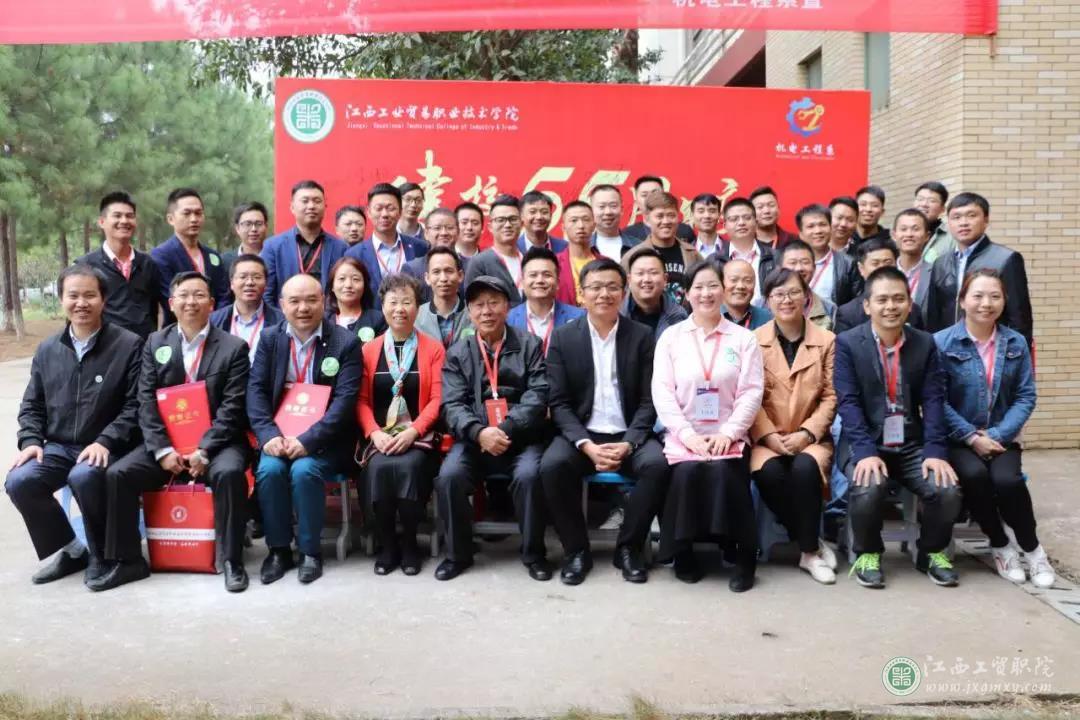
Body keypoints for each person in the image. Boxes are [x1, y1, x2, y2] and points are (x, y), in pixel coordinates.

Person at [96, 271, 252, 593]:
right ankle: (127, 561)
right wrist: (162, 450)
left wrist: (204, 450)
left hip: (218, 444)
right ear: (171, 303)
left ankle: (231, 560)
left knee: (229, 473)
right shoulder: (155, 342)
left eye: (199, 295)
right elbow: (145, 400)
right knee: (119, 474)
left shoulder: (234, 347)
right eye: (183, 295)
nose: (191, 302)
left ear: (212, 303)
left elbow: (233, 408)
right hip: (167, 443)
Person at [5, 265, 142, 585]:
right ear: (62, 299)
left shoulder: (129, 345)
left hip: (108, 445)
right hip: (60, 446)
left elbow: (136, 405)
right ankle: (73, 549)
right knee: (20, 480)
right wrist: (31, 441)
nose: (81, 303)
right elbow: (32, 404)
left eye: (90, 295)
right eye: (73, 295)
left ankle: (103, 555)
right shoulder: (48, 349)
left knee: (84, 475)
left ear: (104, 300)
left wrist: (106, 440)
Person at [540, 258, 669, 585]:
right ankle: (576, 550)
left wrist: (629, 443)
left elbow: (649, 400)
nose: (604, 294)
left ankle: (628, 548)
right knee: (552, 466)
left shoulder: (641, 336)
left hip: (628, 433)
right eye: (595, 287)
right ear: (581, 294)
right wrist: (585, 445)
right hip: (583, 434)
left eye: (612, 287)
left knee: (657, 466)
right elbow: (559, 402)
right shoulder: (563, 338)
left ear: (624, 292)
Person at [835, 266, 962, 589]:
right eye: (882, 300)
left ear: (909, 303)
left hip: (910, 443)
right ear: (867, 305)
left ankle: (930, 552)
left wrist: (935, 451)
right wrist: (864, 452)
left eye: (898, 299)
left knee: (946, 489)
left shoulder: (924, 343)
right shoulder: (848, 343)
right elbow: (848, 403)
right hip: (865, 441)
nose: (890, 306)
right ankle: (868, 554)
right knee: (868, 486)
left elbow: (934, 400)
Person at [934, 269, 1052, 587]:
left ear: (1004, 301)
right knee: (974, 476)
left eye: (995, 296)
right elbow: (937, 401)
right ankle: (1000, 545)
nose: (986, 303)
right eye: (978, 296)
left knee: (1008, 481)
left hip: (1002, 437)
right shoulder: (941, 343)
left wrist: (997, 435)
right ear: (962, 301)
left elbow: (1026, 396)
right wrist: (972, 437)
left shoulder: (1016, 342)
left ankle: (1033, 549)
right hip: (959, 439)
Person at [652, 261, 764, 591]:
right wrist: (687, 435)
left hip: (729, 433)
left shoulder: (743, 339)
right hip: (683, 435)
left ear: (724, 291)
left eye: (713, 286)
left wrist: (729, 432)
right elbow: (662, 391)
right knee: (686, 472)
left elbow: (751, 391)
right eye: (698, 287)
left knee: (725, 471)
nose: (706, 293)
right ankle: (682, 552)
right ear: (686, 294)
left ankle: (742, 555)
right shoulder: (671, 338)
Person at [248, 274, 363, 585]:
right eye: (295, 301)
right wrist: (268, 436)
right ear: (282, 305)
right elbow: (256, 391)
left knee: (304, 471)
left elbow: (344, 404)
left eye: (311, 300)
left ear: (324, 302)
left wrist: (308, 440)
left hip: (326, 440)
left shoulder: (345, 342)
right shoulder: (270, 339)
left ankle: (310, 551)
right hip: (279, 435)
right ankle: (278, 550)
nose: (303, 308)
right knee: (270, 470)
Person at [436, 276, 551, 581]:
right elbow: (452, 404)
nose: (486, 311)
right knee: (449, 476)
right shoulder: (458, 352)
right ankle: (457, 555)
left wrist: (507, 428)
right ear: (469, 311)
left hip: (521, 437)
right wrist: (479, 432)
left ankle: (534, 554)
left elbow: (538, 395)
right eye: (478, 305)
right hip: (474, 439)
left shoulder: (529, 344)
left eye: (493, 303)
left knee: (530, 476)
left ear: (507, 307)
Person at [750, 268, 838, 584]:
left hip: (810, 436)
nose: (786, 300)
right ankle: (810, 543)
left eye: (793, 292)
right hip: (767, 438)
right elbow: (749, 396)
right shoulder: (752, 341)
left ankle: (808, 553)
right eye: (778, 294)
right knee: (770, 474)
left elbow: (831, 396)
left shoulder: (827, 341)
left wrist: (807, 433)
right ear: (767, 300)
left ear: (806, 297)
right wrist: (769, 436)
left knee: (804, 468)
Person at [357, 274, 445, 577]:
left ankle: (409, 542)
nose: (400, 309)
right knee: (379, 468)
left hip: (419, 436)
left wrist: (413, 431)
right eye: (393, 302)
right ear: (382, 307)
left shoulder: (433, 349)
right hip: (380, 437)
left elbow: (437, 399)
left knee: (409, 466)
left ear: (418, 307)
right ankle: (387, 544)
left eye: (407, 302)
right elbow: (361, 401)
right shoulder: (369, 350)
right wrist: (374, 433)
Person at [926, 192, 1033, 349]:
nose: (963, 223)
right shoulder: (940, 263)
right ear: (948, 222)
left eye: (971, 215)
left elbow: (1019, 318)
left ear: (986, 220)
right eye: (956, 217)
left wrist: (1015, 355)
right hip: (948, 349)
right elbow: (934, 316)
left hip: (990, 349)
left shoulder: (1006, 259)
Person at [75, 191, 162, 339]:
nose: (124, 221)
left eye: (130, 216)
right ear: (102, 222)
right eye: (117, 215)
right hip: (105, 347)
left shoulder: (148, 264)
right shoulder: (85, 266)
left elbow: (155, 309)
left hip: (144, 348)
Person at [261, 180, 348, 305]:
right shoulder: (272, 247)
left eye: (317, 201)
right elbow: (266, 294)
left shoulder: (341, 248)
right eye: (305, 201)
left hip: (327, 315)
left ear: (325, 206)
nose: (311, 206)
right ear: (292, 207)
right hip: (285, 315)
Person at [151, 188, 229, 317]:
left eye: (198, 213)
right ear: (170, 219)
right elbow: (170, 299)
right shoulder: (161, 256)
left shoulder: (212, 255)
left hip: (216, 325)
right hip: (179, 325)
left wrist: (216, 321)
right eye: (186, 213)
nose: (194, 219)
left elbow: (223, 296)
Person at [346, 183, 430, 299]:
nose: (384, 214)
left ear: (400, 212)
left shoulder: (420, 247)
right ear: (369, 212)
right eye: (378, 209)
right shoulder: (354, 254)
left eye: (390, 208)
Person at [621, 191, 703, 307]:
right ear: (647, 219)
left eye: (671, 215)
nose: (666, 221)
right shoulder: (632, 257)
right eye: (659, 216)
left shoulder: (693, 254)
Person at [834, 237, 926, 333]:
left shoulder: (912, 309)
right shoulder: (847, 313)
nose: (882, 268)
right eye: (875, 263)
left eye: (888, 263)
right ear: (861, 268)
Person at [508, 247, 585, 355]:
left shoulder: (580, 317)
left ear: (558, 283)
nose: (540, 280)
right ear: (522, 283)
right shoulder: (508, 320)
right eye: (533, 275)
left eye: (547, 275)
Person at [210, 254, 284, 364]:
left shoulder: (281, 322)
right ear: (232, 283)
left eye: (257, 277)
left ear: (266, 283)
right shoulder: (213, 321)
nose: (250, 282)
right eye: (243, 277)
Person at [464, 194, 526, 306]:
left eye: (513, 219)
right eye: (500, 220)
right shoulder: (479, 263)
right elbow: (473, 306)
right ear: (490, 227)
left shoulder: (530, 260)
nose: (507, 225)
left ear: (521, 224)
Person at [711, 197, 775, 305]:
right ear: (725, 226)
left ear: (756, 222)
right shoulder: (714, 261)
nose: (741, 223)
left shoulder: (775, 257)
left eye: (747, 218)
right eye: (734, 219)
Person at [796, 203, 860, 307]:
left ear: (830, 228)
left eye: (822, 225)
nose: (818, 231)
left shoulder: (848, 263)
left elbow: (857, 303)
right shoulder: (788, 262)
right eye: (811, 226)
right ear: (801, 234)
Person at [621, 248, 688, 339]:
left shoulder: (678, 316)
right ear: (629, 280)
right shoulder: (616, 313)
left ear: (665, 279)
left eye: (653, 273)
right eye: (640, 273)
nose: (647, 279)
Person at [415, 247, 474, 347]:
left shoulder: (474, 314)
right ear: (427, 278)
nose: (443, 278)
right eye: (436, 272)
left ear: (460, 276)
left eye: (449, 271)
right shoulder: (416, 317)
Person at [777, 240, 837, 332]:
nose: (799, 268)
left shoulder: (829, 308)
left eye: (805, 262)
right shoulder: (763, 304)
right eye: (793, 263)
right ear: (780, 268)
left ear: (814, 268)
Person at [403, 207, 458, 302]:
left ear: (458, 232)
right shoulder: (412, 269)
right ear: (426, 233)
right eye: (437, 228)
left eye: (449, 228)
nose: (444, 233)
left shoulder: (469, 265)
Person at [326, 256, 386, 343]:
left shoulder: (378, 320)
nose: (348, 285)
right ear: (332, 286)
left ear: (365, 285)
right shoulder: (324, 323)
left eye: (355, 279)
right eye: (342, 279)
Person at [623, 175, 695, 244]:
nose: (650, 198)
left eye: (655, 193)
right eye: (644, 195)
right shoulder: (628, 235)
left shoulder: (684, 231)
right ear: (636, 201)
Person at [556, 200, 601, 305]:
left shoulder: (606, 263)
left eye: (586, 220)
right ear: (563, 227)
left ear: (594, 226)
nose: (580, 225)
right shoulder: (555, 264)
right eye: (574, 220)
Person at [893, 208, 933, 309]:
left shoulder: (936, 273)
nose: (909, 234)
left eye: (915, 229)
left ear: (927, 236)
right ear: (894, 235)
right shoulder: (883, 273)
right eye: (903, 229)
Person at [222, 201, 270, 279]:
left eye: (258, 224)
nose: (253, 229)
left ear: (266, 226)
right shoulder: (225, 261)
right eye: (247, 224)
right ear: (237, 228)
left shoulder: (274, 259)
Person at [720, 260, 772, 330]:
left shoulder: (768, 319)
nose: (740, 286)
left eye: (747, 281)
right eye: (733, 280)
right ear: (721, 283)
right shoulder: (709, 317)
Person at [589, 184, 635, 260]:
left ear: (621, 209)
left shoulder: (638, 246)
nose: (608, 212)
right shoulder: (582, 248)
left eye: (613, 206)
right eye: (601, 206)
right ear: (591, 211)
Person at [914, 181, 955, 264]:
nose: (924, 204)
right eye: (920, 199)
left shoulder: (952, 237)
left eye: (932, 201)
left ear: (943, 209)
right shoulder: (902, 233)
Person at [691, 193, 722, 258]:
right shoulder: (685, 251)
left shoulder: (731, 249)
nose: (707, 216)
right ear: (692, 215)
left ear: (719, 215)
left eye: (712, 211)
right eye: (701, 211)